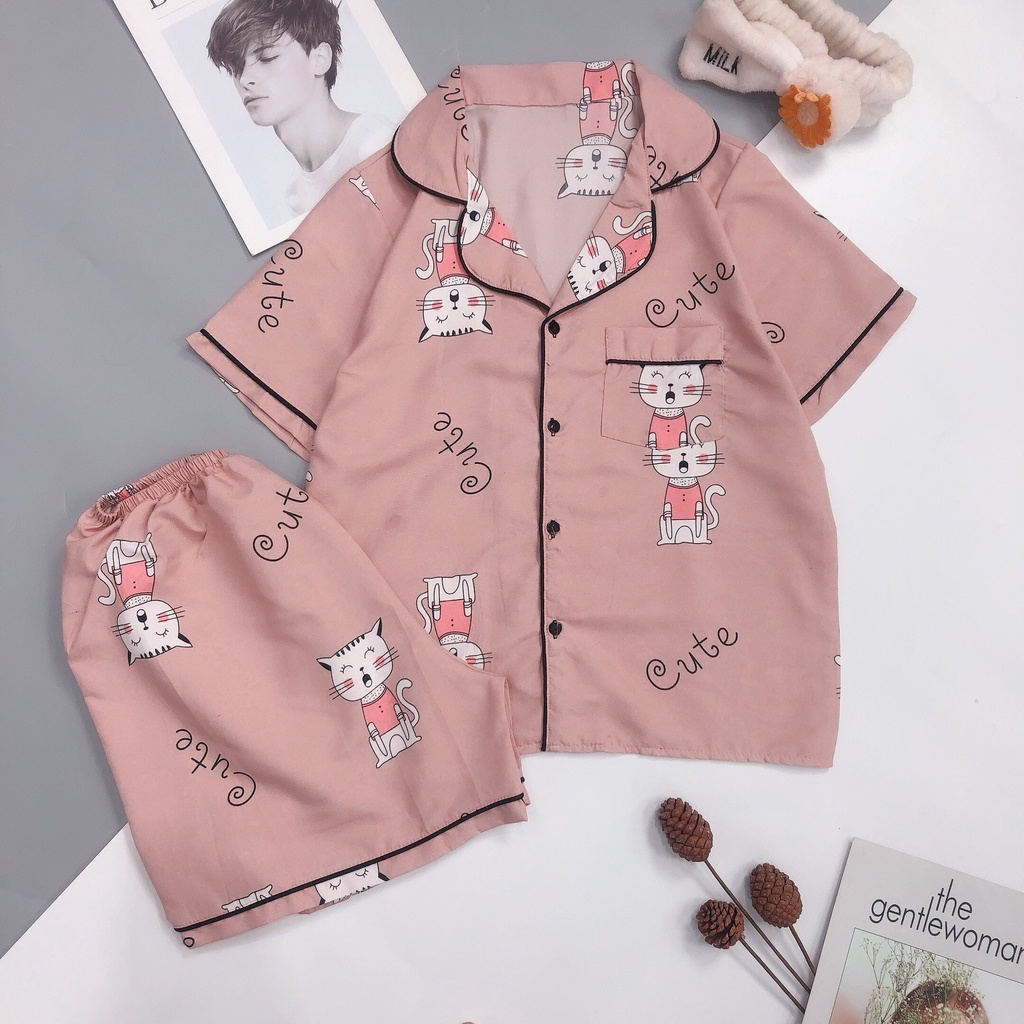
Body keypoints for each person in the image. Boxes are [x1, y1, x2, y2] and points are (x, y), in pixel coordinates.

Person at [207, 0, 396, 216]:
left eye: (267, 58)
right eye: (236, 67)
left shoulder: (375, 145)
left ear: (320, 59)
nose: (244, 79)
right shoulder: (296, 195)